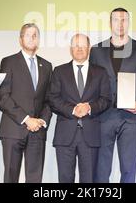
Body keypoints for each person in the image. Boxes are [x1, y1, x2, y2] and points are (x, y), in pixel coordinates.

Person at [90, 7, 136, 183]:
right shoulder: (96, 50)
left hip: (130, 118)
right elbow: (92, 83)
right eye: (116, 20)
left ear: (129, 22)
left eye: (124, 20)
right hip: (103, 116)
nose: (120, 23)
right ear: (110, 23)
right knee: (101, 170)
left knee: (128, 169)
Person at [48, 34, 111, 183]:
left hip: (90, 135)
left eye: (83, 45)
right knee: (65, 179)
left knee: (88, 180)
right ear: (70, 49)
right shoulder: (59, 71)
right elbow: (53, 98)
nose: (79, 49)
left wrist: (90, 107)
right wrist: (72, 109)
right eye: (76, 45)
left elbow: (106, 99)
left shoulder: (100, 72)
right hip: (65, 136)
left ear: (89, 48)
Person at [0, 23, 52, 183]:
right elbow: (3, 97)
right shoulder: (9, 62)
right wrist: (27, 119)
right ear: (21, 40)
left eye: (35, 35)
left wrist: (42, 120)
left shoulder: (47, 66)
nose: (32, 38)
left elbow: (49, 100)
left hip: (37, 131)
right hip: (13, 130)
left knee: (35, 179)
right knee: (10, 177)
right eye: (28, 35)